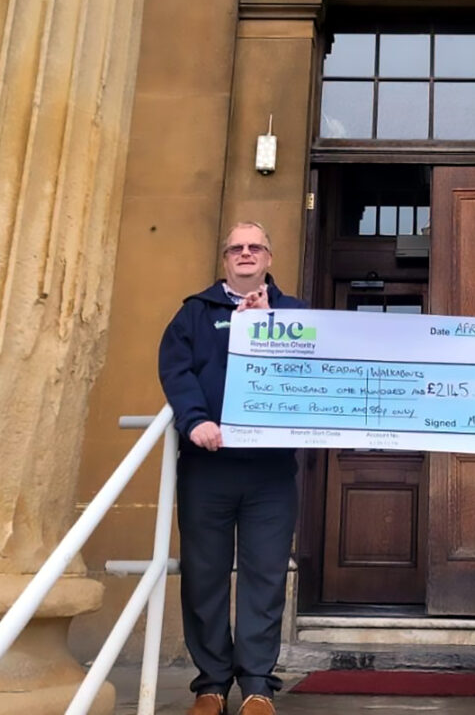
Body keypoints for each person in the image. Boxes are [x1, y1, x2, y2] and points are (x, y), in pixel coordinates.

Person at [159, 222, 305, 715]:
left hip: (270, 472)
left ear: (269, 257)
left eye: (255, 247)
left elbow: (315, 371)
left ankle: (258, 685)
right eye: (236, 248)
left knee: (265, 574)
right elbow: (175, 370)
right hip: (209, 465)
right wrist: (194, 419)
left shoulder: (296, 314)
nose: (245, 253)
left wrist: (272, 331)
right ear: (225, 260)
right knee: (204, 574)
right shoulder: (194, 313)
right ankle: (211, 685)